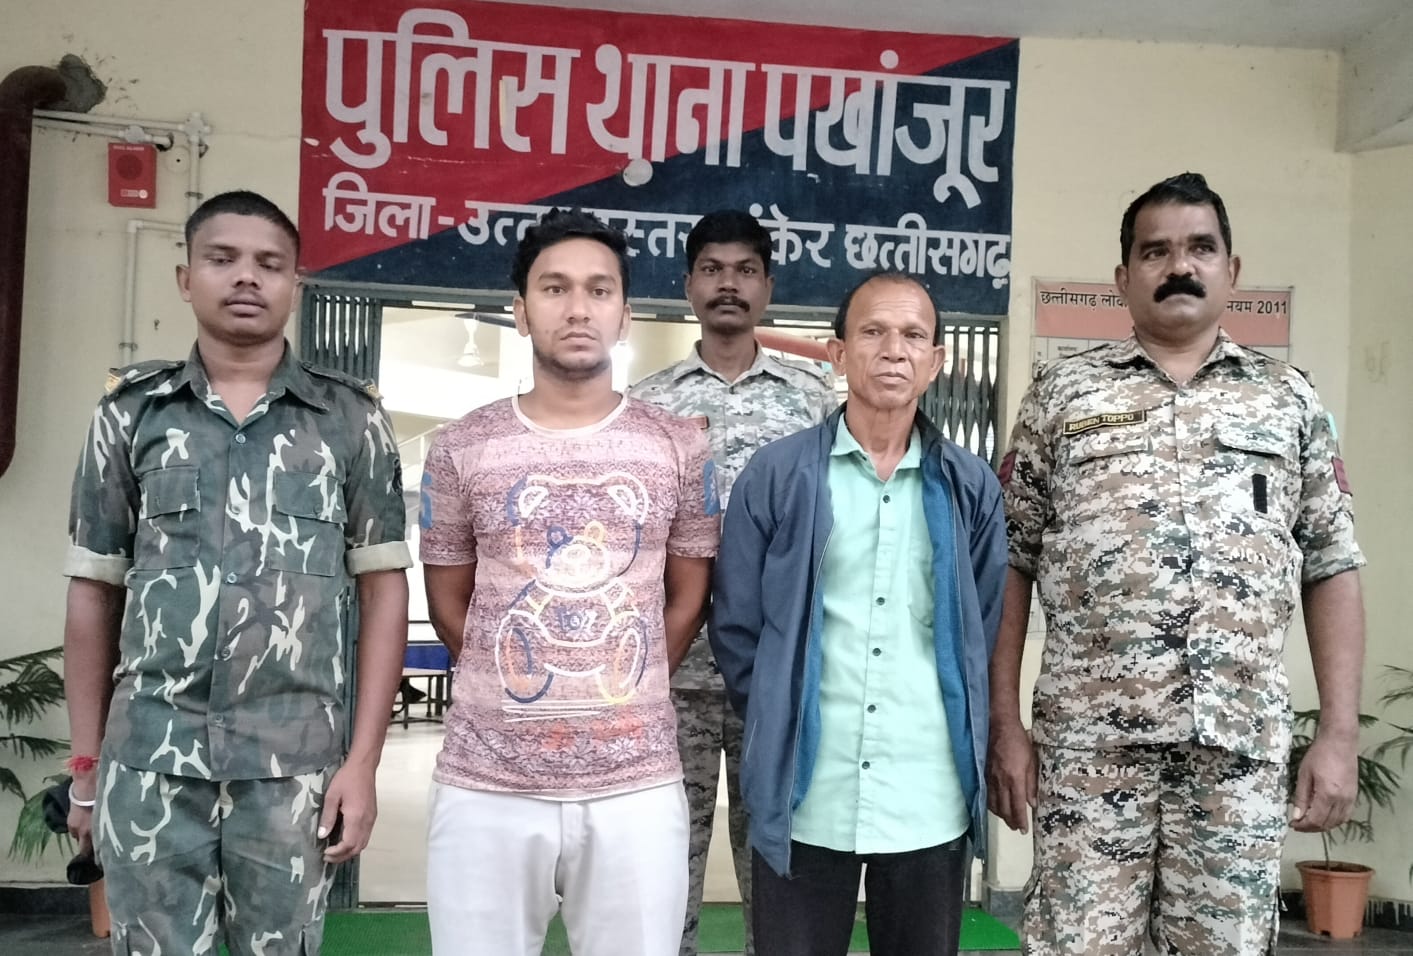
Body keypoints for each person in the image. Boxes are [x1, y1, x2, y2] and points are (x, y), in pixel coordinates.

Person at [989, 172, 1366, 955]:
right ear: (1123, 277)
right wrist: (1004, 724)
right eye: (1154, 251)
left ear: (1232, 269)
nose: (1179, 266)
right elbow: (1006, 563)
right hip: (1088, 752)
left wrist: (1336, 734)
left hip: (1236, 753)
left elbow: (1330, 565)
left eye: (1199, 247)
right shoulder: (1060, 395)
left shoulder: (1287, 400)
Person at [61, 190, 412, 955]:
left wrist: (362, 764)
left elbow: (384, 592)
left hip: (292, 774)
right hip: (150, 762)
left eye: (269, 263)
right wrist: (87, 770)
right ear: (186, 278)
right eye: (223, 259)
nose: (247, 277)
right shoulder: (130, 415)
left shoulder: (350, 421)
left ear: (296, 284)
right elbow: (93, 592)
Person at [419, 208, 720, 955]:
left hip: (635, 786)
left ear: (624, 313)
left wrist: (627, 683)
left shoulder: (680, 445)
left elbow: (690, 594)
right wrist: (510, 672)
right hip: (485, 784)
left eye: (599, 289)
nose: (578, 308)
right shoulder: (461, 447)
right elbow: (449, 601)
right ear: (521, 312)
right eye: (554, 289)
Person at [711, 271, 1008, 956]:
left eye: (913, 336)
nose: (893, 350)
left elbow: (982, 624)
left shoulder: (970, 487)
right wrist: (779, 711)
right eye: (872, 332)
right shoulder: (778, 475)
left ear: (935, 361)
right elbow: (736, 625)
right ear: (838, 354)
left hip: (926, 790)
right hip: (808, 791)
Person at [630, 208, 836, 956]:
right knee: (662, 867)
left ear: (768, 286)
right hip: (669, 675)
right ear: (688, 284)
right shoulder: (643, 405)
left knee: (779, 864)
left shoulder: (816, 399)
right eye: (712, 269)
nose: (729, 284)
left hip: (776, 675)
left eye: (745, 271)